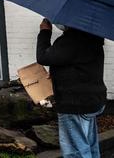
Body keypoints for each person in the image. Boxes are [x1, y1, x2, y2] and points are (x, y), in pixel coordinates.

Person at [36, 19, 106, 158]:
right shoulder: (92, 38)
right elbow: (79, 65)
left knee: (75, 152)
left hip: (74, 103)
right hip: (91, 100)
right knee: (89, 145)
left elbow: (43, 57)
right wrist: (57, 73)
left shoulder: (72, 40)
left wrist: (45, 32)